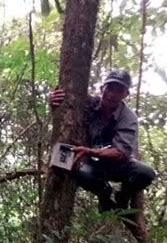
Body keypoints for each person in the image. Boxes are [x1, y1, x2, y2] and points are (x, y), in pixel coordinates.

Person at [49, 69, 156, 212]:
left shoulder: (128, 118)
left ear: (126, 94)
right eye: (110, 88)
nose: (112, 94)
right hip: (90, 162)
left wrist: (89, 151)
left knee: (146, 173)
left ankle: (122, 196)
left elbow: (119, 153)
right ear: (102, 89)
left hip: (116, 165)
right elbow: (66, 106)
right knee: (66, 165)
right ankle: (104, 192)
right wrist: (53, 102)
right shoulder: (88, 103)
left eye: (119, 91)